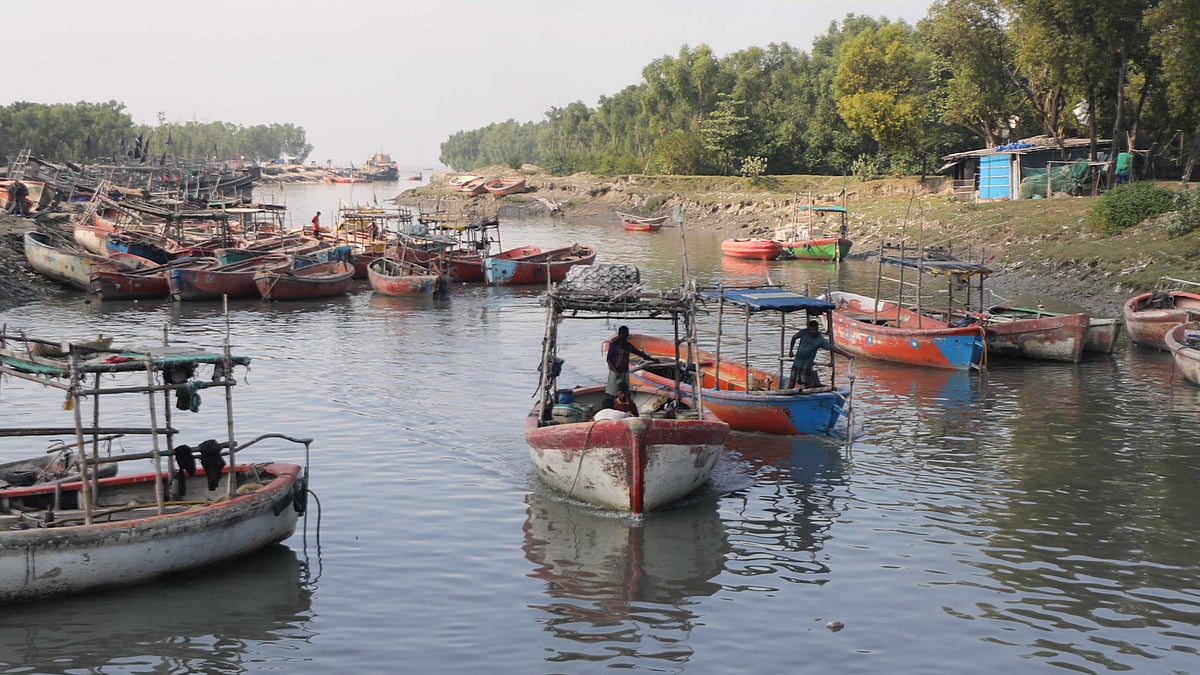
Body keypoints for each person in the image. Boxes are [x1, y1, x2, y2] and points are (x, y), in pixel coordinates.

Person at [787, 319, 852, 389]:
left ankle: (810, 394)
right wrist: (791, 351)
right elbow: (794, 338)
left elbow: (831, 347)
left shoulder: (820, 339)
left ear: (817, 329)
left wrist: (846, 354)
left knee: (805, 381)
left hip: (807, 363)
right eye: (811, 330)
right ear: (808, 328)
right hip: (798, 361)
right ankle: (787, 393)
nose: (813, 332)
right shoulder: (804, 332)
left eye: (815, 330)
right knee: (792, 379)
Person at [606, 325, 651, 396]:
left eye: (626, 334)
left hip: (624, 371)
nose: (624, 336)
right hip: (615, 371)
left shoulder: (628, 346)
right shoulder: (614, 345)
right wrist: (616, 372)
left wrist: (651, 359)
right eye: (623, 334)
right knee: (613, 392)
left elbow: (639, 353)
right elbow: (609, 359)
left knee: (625, 390)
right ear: (619, 334)